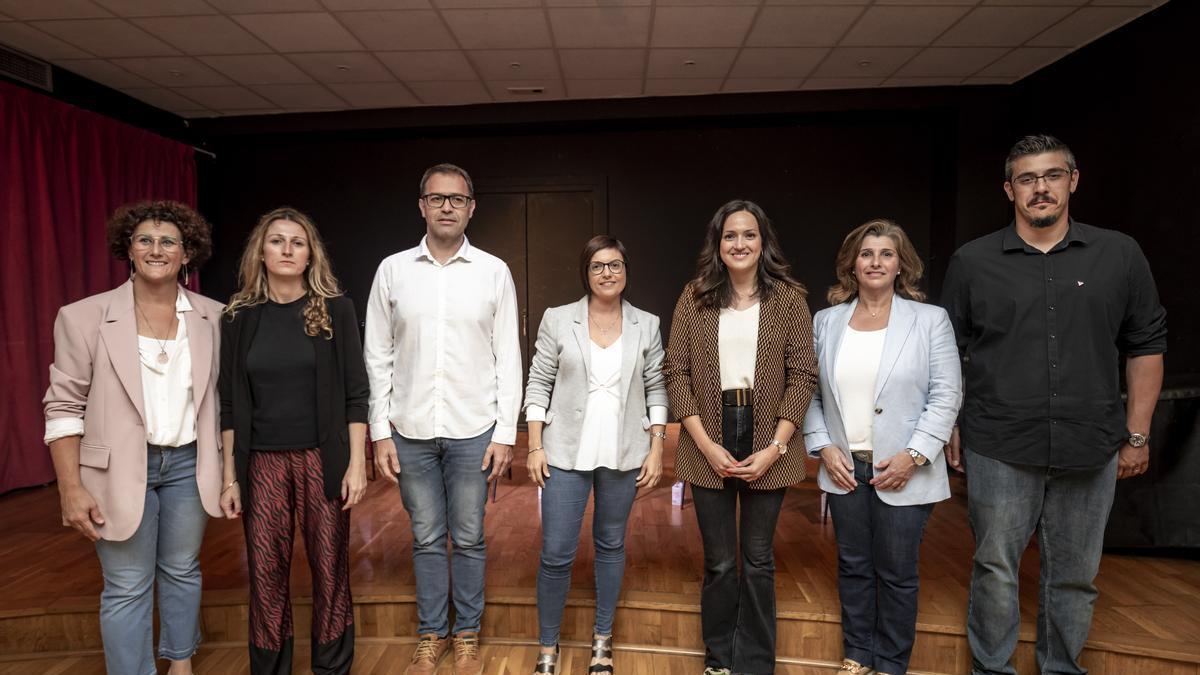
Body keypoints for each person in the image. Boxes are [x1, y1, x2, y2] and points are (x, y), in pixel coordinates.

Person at [941, 134, 1167, 675]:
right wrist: (949, 421)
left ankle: (1061, 667)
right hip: (999, 442)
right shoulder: (973, 261)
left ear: (1072, 180)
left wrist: (1137, 434)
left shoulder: (1120, 254)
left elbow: (1147, 345)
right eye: (1027, 178)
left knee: (1074, 572)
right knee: (995, 566)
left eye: (1051, 176)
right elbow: (946, 349)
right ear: (1008, 189)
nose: (1040, 188)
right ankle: (992, 669)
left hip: (1091, 443)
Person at [43, 200, 224, 675]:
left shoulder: (216, 318)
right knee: (126, 583)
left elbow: (228, 404)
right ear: (129, 248)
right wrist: (70, 487)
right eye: (145, 239)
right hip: (119, 470)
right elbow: (62, 407)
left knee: (183, 571)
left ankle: (180, 664)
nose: (156, 249)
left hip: (190, 464)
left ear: (188, 253)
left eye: (169, 241)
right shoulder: (84, 317)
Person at [364, 163, 522, 675]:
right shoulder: (392, 270)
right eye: (437, 198)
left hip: (474, 428)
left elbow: (509, 358)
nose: (447, 206)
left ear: (472, 207)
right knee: (428, 536)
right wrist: (379, 431)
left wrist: (505, 433)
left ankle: (468, 634)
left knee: (470, 536)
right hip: (409, 430)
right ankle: (432, 634)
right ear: (422, 206)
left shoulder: (494, 271)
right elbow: (377, 355)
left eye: (456, 199)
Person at [663, 199, 818, 675]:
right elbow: (677, 373)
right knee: (720, 563)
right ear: (718, 243)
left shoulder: (788, 298)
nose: (740, 243)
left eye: (749, 234)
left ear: (763, 241)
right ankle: (718, 660)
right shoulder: (695, 295)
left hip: (769, 441)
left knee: (757, 560)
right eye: (730, 235)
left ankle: (754, 663)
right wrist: (706, 445)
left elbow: (802, 376)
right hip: (705, 440)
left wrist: (775, 448)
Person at [802, 219, 961, 675]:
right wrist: (823, 446)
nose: (875, 262)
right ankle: (858, 656)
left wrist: (914, 456)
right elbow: (811, 393)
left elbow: (947, 393)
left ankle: (890, 663)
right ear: (852, 264)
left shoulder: (930, 321)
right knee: (853, 566)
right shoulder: (827, 321)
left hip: (904, 468)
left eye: (886, 254)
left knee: (896, 572)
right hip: (844, 468)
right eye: (866, 253)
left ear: (900, 264)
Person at [218, 207, 369, 674]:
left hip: (322, 458)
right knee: (265, 574)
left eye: (297, 242)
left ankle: (332, 667)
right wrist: (229, 477)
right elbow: (228, 401)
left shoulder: (336, 309)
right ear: (261, 252)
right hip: (261, 462)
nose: (287, 249)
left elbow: (356, 393)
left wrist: (357, 463)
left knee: (329, 569)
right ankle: (269, 668)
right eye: (277, 241)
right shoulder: (237, 316)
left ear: (310, 255)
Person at [523, 235, 669, 675]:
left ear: (626, 271)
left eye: (616, 265)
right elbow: (539, 381)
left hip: (624, 452)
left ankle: (602, 641)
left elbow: (657, 386)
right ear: (586, 273)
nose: (608, 273)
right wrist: (533, 445)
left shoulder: (647, 323)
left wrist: (657, 445)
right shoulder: (558, 319)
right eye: (598, 266)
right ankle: (547, 647)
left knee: (611, 546)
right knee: (556, 553)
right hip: (565, 452)